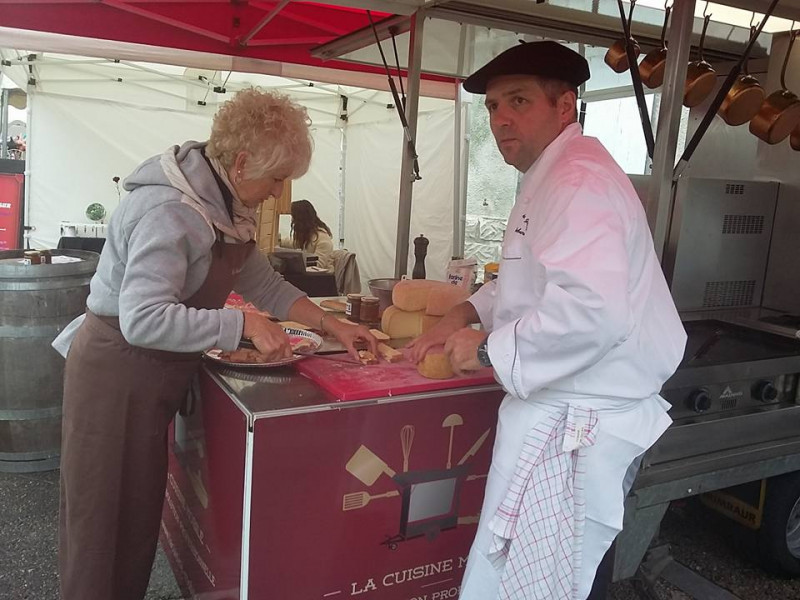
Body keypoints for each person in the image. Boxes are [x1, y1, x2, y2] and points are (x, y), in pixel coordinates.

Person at [52, 88, 377, 600]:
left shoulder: (225, 203)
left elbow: (265, 285)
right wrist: (239, 326)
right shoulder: (172, 210)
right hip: (116, 374)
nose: (279, 192)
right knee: (101, 528)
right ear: (243, 162)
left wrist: (332, 326)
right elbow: (142, 318)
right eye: (276, 178)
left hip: (153, 373)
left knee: (136, 519)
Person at [409, 41, 686, 600]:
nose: (501, 119)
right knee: (526, 579)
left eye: (518, 101)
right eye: (491, 107)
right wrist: (463, 312)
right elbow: (527, 276)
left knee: (546, 585)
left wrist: (487, 348)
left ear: (566, 107)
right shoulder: (551, 174)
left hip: (579, 430)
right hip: (559, 417)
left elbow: (591, 310)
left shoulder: (580, 182)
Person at [281, 198, 335, 270]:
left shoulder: (323, 240)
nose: (292, 222)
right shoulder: (309, 236)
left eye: (294, 218)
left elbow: (317, 265)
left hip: (323, 278)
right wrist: (278, 240)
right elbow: (294, 243)